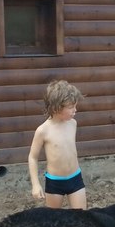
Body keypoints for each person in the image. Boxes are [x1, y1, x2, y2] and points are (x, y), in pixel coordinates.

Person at [28, 80, 87, 212]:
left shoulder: (73, 124)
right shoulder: (43, 131)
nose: (75, 110)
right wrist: (35, 184)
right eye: (71, 107)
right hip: (55, 183)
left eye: (75, 106)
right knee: (53, 219)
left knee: (82, 218)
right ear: (57, 107)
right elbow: (32, 157)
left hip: (75, 178)